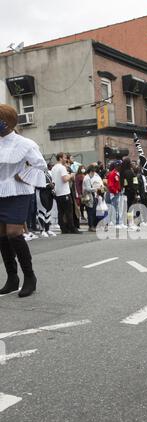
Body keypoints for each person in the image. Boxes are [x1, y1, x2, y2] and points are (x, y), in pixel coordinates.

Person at [0, 104, 47, 297]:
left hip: (18, 191)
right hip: (0, 191)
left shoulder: (25, 143)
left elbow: (41, 165)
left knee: (13, 232)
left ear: (7, 122)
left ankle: (30, 277)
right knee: (1, 235)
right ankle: (12, 278)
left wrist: (25, 174)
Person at [51, 153, 81, 234]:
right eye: (64, 158)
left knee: (61, 212)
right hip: (64, 192)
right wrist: (71, 175)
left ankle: (63, 228)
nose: (66, 159)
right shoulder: (62, 168)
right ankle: (72, 228)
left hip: (57, 192)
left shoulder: (54, 168)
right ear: (60, 158)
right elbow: (65, 179)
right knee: (69, 211)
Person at [36, 168, 56, 237]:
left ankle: (47, 229)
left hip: (49, 193)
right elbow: (36, 185)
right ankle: (42, 230)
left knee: (48, 211)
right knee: (42, 211)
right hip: (41, 193)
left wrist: (53, 184)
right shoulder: (37, 172)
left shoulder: (47, 172)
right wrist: (48, 185)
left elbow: (52, 181)